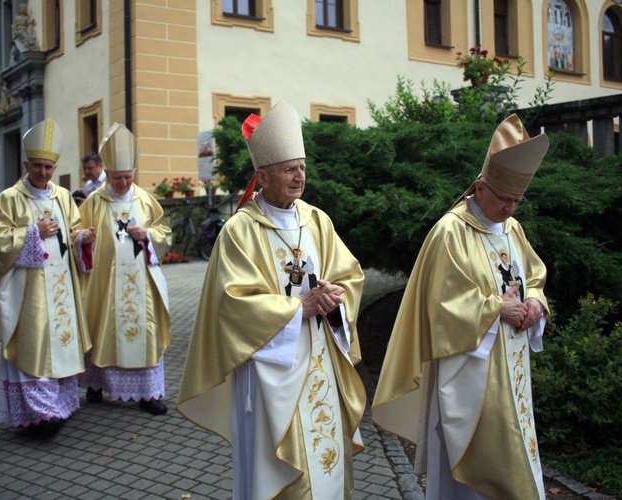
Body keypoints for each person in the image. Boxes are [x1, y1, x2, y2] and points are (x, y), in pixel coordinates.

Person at [178, 100, 366, 499]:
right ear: (262, 176)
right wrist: (301, 306)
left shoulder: (317, 220)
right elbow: (233, 303)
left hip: (321, 358)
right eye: (289, 169)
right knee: (282, 469)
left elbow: (350, 275)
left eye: (302, 166)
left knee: (325, 452)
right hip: (270, 369)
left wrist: (336, 296)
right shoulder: (240, 231)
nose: (299, 176)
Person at [371, 114, 551, 499]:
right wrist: (495, 309)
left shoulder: (512, 229)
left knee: (517, 444)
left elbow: (533, 275)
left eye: (517, 200)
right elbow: (440, 306)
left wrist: (535, 302)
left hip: (512, 365)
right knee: (475, 467)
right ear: (480, 187)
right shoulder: (450, 231)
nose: (510, 209)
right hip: (469, 370)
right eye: (504, 199)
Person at [0, 118, 95, 434]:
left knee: (60, 346)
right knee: (32, 347)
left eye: (49, 167)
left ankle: (57, 409)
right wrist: (33, 234)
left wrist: (82, 239)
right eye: (38, 166)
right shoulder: (10, 198)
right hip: (29, 292)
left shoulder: (64, 197)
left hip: (62, 288)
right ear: (26, 164)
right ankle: (37, 414)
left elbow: (73, 230)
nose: (43, 172)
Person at [79, 123, 172, 415]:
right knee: (101, 326)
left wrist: (150, 236)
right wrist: (84, 239)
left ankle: (147, 393)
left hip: (140, 282)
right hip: (105, 282)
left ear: (134, 174)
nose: (122, 183)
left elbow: (164, 232)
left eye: (127, 177)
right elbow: (77, 232)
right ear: (107, 174)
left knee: (145, 329)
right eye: (117, 177)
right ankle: (95, 385)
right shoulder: (94, 201)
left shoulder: (144, 200)